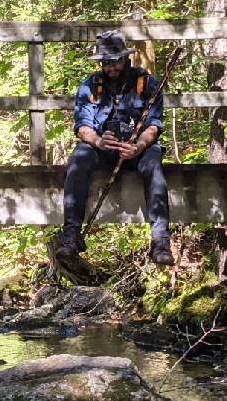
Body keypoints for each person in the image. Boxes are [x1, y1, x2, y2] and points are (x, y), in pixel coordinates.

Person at [56, 30, 173, 266]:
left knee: (154, 160)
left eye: (115, 61)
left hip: (137, 149)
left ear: (126, 59)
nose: (111, 68)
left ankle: (160, 240)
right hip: (102, 148)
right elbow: (82, 126)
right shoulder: (90, 86)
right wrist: (98, 141)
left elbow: (154, 125)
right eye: (106, 63)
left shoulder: (148, 84)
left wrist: (138, 146)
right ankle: (71, 234)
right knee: (79, 157)